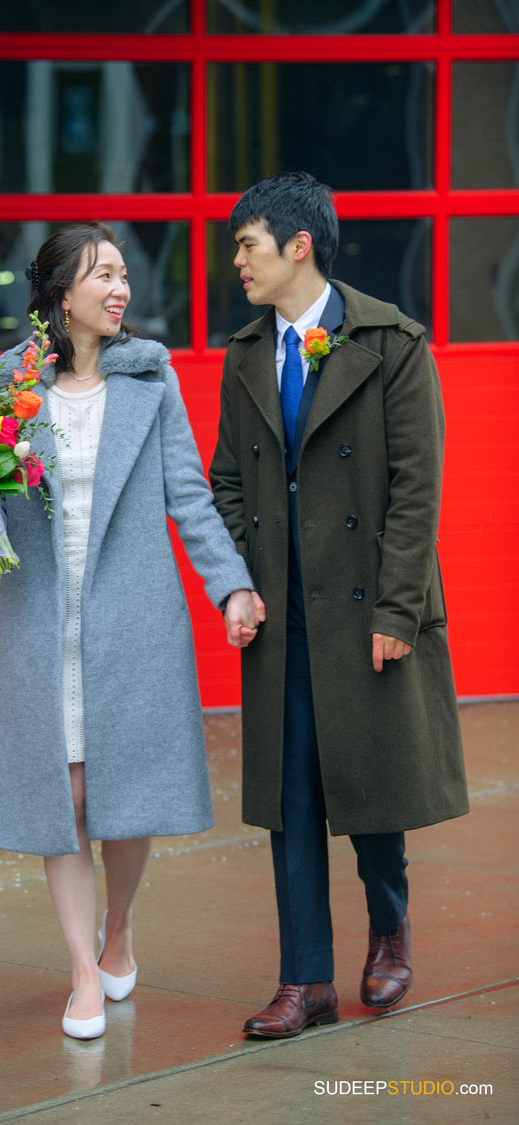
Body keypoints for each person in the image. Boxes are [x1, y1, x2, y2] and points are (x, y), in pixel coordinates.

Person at [0, 222, 263, 1040]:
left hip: (132, 617)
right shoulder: (5, 383)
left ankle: (118, 927)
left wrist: (230, 585)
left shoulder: (150, 379)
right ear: (62, 295)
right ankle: (80, 973)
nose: (121, 288)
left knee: (121, 799)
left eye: (125, 274)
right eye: (103, 275)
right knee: (70, 795)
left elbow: (189, 495)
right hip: (39, 619)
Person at [209, 173, 469, 1038]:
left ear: (298, 245)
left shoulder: (392, 343)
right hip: (282, 614)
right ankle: (304, 979)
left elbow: (414, 489)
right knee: (291, 799)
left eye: (247, 243)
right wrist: (241, 580)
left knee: (370, 789)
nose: (235, 260)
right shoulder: (246, 352)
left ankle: (388, 929)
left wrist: (399, 611)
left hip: (365, 609)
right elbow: (227, 480)